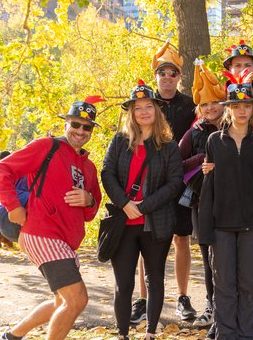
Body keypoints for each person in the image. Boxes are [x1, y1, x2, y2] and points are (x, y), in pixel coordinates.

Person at [0, 96, 104, 340]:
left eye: (87, 127)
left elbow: (90, 213)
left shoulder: (89, 167)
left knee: (61, 301)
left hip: (66, 241)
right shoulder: (47, 146)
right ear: (66, 124)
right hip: (41, 233)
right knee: (77, 300)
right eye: (75, 124)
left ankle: (11, 336)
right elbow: (2, 170)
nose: (80, 131)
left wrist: (89, 200)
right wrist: (13, 206)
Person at [102, 80, 183, 340]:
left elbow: (174, 183)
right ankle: (123, 334)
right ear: (131, 113)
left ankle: (150, 333)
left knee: (154, 278)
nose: (144, 112)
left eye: (149, 106)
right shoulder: (119, 141)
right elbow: (107, 173)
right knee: (123, 283)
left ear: (157, 111)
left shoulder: (169, 146)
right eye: (138, 108)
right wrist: (125, 204)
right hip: (123, 223)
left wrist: (143, 207)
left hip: (156, 223)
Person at [129, 41, 198, 325]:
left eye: (173, 73)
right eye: (163, 72)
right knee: (148, 242)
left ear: (179, 76)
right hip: (151, 184)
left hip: (182, 183)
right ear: (155, 75)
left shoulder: (191, 105)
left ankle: (182, 297)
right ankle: (143, 300)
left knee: (182, 239)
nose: (168, 77)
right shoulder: (146, 103)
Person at [198, 69, 253, 340]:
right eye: (236, 105)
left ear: (252, 109)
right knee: (224, 284)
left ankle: (246, 333)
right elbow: (208, 187)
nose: (241, 111)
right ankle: (226, 334)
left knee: (249, 284)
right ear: (228, 109)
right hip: (221, 225)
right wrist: (206, 229)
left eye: (246, 105)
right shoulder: (215, 141)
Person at [178, 59, 227, 332]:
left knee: (232, 256)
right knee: (209, 257)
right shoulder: (193, 132)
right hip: (201, 203)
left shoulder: (234, 127)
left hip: (232, 202)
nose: (210, 108)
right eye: (205, 105)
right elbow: (175, 163)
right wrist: (199, 159)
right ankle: (211, 304)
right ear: (199, 108)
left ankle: (235, 306)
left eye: (214, 103)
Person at [222, 39, 253, 130]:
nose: (243, 69)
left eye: (248, 65)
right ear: (230, 68)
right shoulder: (217, 96)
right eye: (238, 65)